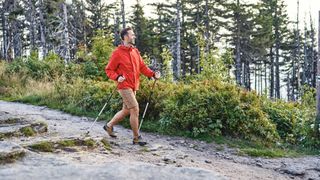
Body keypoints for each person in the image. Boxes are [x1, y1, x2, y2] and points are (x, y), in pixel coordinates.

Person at [104, 27, 160, 146]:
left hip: (134, 86)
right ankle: (136, 137)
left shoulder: (135, 51)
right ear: (125, 37)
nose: (134, 36)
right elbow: (109, 70)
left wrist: (153, 74)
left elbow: (142, 67)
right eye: (132, 35)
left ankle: (108, 126)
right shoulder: (117, 53)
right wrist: (117, 77)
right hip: (124, 86)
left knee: (126, 110)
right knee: (134, 108)